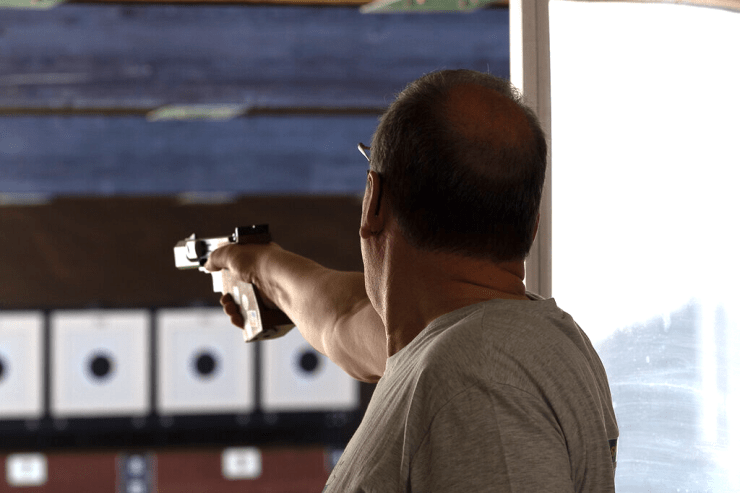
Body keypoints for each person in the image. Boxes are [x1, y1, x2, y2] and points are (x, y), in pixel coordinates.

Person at [206, 69, 619, 492]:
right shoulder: (472, 344)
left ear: (374, 202)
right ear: (531, 226)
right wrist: (261, 267)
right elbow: (343, 319)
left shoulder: (477, 385)